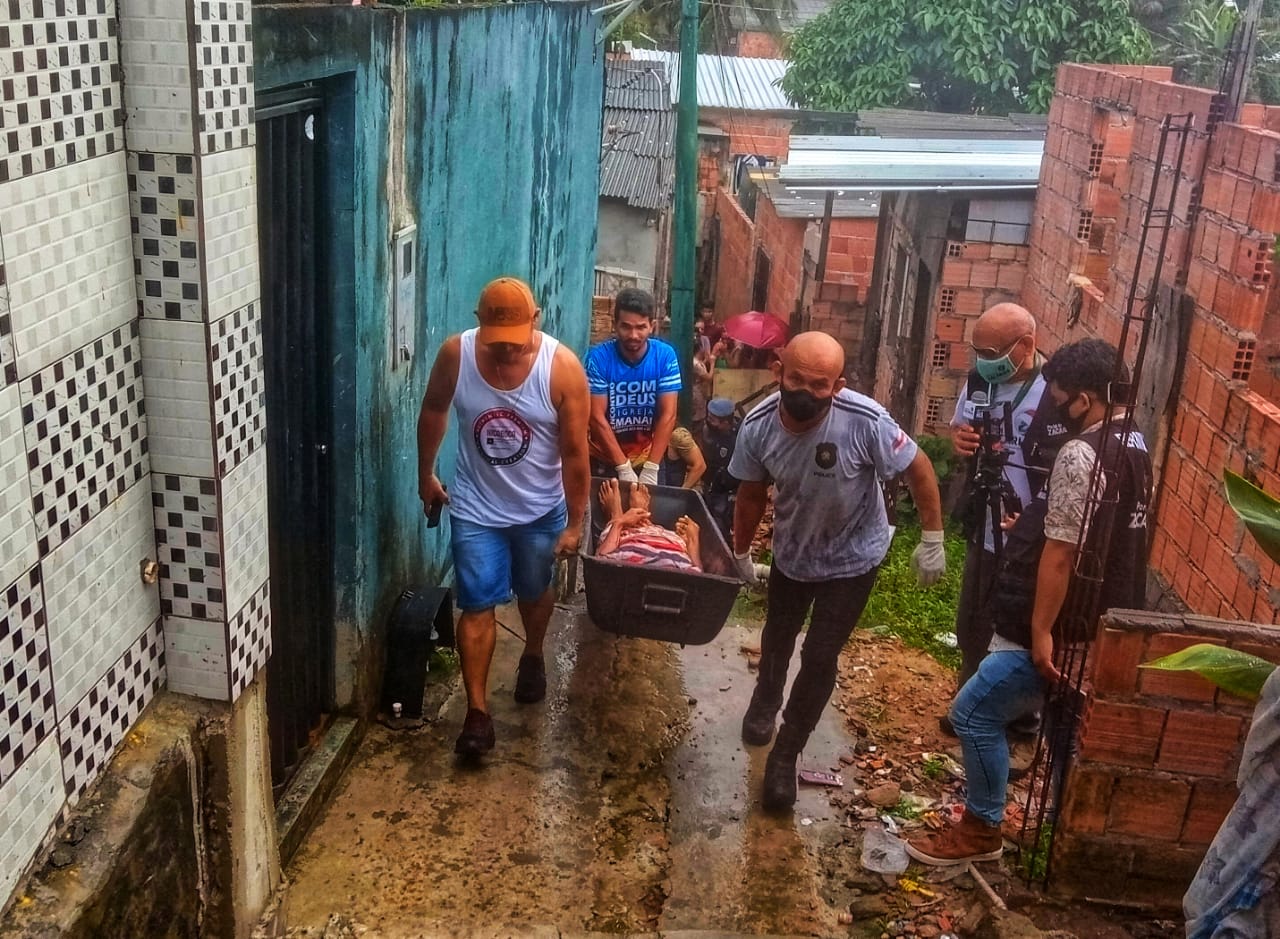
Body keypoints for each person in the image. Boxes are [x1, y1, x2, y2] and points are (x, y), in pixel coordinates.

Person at [907, 338, 1153, 865]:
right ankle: (1067, 838)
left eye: (1061, 397)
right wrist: (1036, 525)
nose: (1055, 408)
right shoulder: (1135, 442)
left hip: (1061, 626)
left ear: (1085, 400)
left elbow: (1063, 555)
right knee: (1067, 734)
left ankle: (981, 828)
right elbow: (1095, 529)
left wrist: (1040, 631)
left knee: (973, 713)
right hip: (1104, 625)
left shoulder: (1081, 451)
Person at [730, 331, 948, 812]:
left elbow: (919, 467)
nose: (805, 393)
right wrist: (741, 551)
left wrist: (932, 539)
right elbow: (750, 494)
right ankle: (766, 700)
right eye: (797, 380)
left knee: (820, 653)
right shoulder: (759, 426)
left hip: (854, 557)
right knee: (778, 636)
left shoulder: (865, 421)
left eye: (819, 385)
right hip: (794, 552)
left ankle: (786, 752)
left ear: (839, 385)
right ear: (778, 371)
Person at [416, 276, 590, 757]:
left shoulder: (562, 370)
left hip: (539, 509)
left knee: (535, 590)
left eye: (515, 343)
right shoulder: (458, 355)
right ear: (479, 326)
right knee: (476, 604)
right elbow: (433, 408)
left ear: (535, 321)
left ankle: (532, 653)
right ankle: (477, 715)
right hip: (476, 508)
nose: (505, 353)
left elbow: (576, 453)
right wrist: (425, 473)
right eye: (497, 344)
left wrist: (575, 523)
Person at [943, 303, 1069, 737]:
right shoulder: (981, 381)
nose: (983, 360)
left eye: (992, 351)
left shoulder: (1057, 392)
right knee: (973, 620)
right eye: (978, 350)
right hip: (987, 524)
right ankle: (970, 703)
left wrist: (1038, 524)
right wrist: (959, 439)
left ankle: (1020, 718)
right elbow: (960, 428)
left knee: (1020, 627)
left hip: (1034, 535)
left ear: (1027, 346)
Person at [586, 287, 682, 486]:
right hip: (605, 457)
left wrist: (652, 467)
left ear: (652, 326)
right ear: (615, 325)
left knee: (652, 515)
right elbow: (596, 417)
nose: (633, 335)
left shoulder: (665, 356)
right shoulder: (599, 358)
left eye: (641, 327)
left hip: (649, 456)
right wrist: (622, 466)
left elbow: (669, 414)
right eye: (626, 327)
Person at [596, 479, 701, 571]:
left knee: (617, 533)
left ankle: (616, 517)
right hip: (673, 547)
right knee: (667, 537)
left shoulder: (625, 567)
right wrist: (693, 540)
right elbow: (700, 576)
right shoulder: (683, 576)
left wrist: (620, 522)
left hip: (628, 546)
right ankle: (644, 522)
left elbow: (600, 561)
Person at [700, 397, 740, 541]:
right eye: (708, 417)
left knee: (722, 522)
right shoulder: (707, 430)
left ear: (725, 422)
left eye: (713, 419)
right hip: (710, 482)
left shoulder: (740, 436)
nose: (709, 421)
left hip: (729, 487)